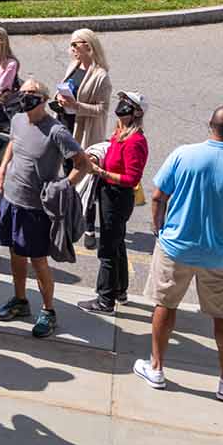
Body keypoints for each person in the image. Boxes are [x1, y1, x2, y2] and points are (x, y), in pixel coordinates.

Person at [134, 105, 223, 401]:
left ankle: (156, 368)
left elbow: (158, 197)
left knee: (165, 306)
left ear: (210, 125)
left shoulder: (183, 154)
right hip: (222, 256)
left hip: (175, 248)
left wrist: (159, 232)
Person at [0, 79, 89, 337]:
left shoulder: (56, 131)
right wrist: (3, 168)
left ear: (43, 98)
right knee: (15, 253)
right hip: (11, 200)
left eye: (31, 93)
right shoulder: (18, 119)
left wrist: (64, 186)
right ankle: (20, 301)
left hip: (36, 208)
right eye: (23, 92)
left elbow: (83, 163)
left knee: (38, 260)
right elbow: (14, 142)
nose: (25, 97)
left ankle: (48, 311)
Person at [82, 91, 149, 314]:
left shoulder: (135, 141)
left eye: (128, 104)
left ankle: (105, 300)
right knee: (118, 243)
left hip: (118, 197)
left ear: (136, 112)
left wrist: (102, 172)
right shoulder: (120, 133)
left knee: (108, 248)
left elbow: (132, 178)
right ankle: (120, 290)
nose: (122, 106)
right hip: (109, 193)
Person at [55, 28, 110, 149]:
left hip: (82, 132)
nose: (72, 48)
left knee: (77, 167)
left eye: (74, 44)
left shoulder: (101, 76)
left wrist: (76, 105)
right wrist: (58, 96)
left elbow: (102, 109)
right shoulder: (73, 65)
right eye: (70, 45)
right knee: (65, 165)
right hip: (64, 124)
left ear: (88, 45)